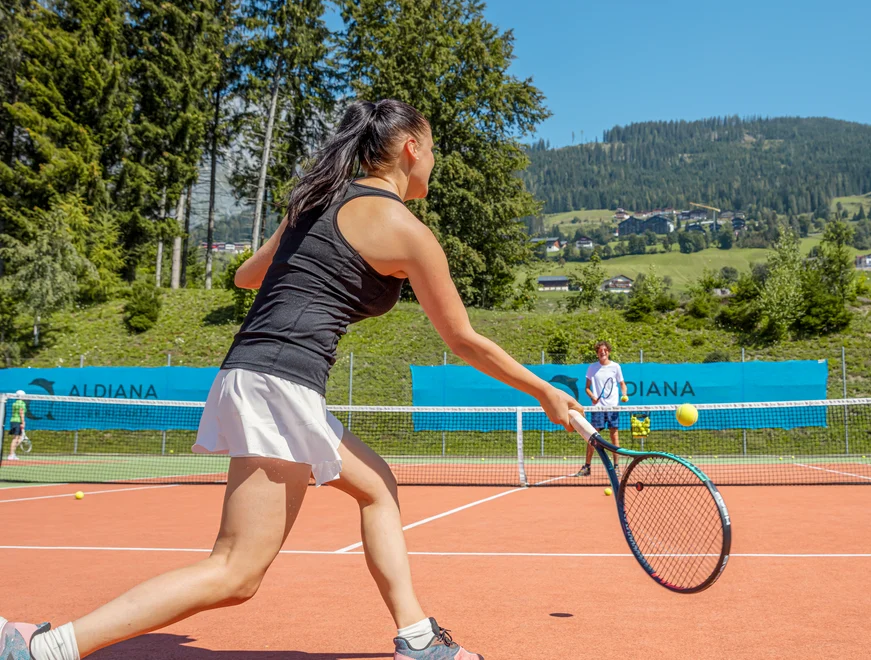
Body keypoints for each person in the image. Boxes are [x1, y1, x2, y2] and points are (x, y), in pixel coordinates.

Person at [0, 99, 583, 660]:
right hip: (279, 382)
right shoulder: (407, 231)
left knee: (378, 485)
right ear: (410, 148)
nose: (433, 162)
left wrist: (298, 246)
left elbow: (245, 276)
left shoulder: (315, 201)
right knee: (235, 573)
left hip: (261, 374)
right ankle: (44, 647)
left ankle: (419, 638)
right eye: (432, 150)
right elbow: (461, 340)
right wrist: (546, 392)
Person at [575, 341, 627, 477]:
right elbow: (587, 387)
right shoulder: (592, 368)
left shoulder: (616, 367)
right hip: (597, 408)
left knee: (614, 436)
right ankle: (587, 467)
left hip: (612, 407)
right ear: (597, 353)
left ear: (608, 352)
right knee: (592, 437)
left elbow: (622, 384)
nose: (602, 352)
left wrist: (624, 394)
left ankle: (616, 467)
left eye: (605, 350)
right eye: (600, 350)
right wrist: (592, 396)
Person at [6, 389, 26, 462]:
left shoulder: (14, 403)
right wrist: (23, 422)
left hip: (13, 421)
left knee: (19, 438)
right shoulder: (22, 403)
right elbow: (21, 413)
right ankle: (11, 455)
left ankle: (12, 453)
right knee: (16, 438)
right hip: (18, 422)